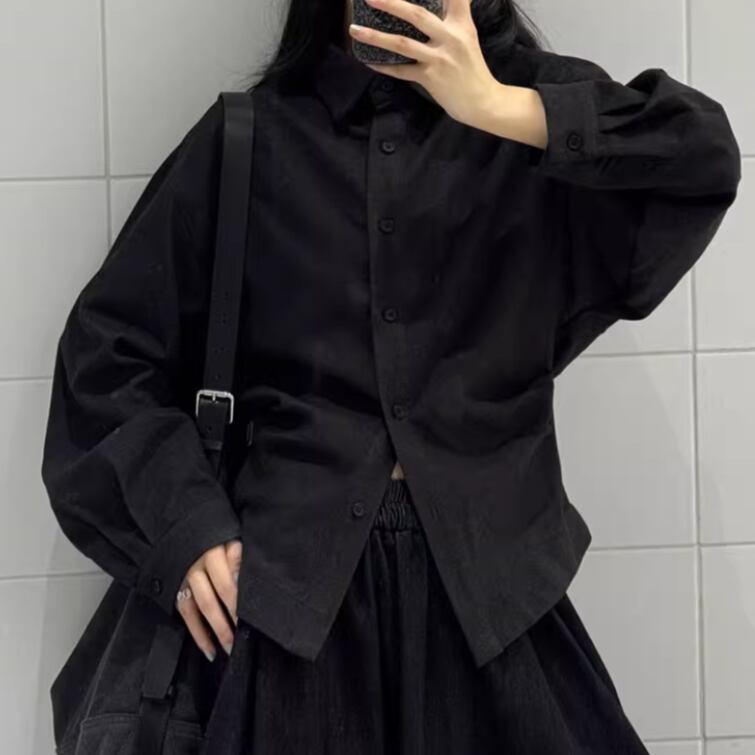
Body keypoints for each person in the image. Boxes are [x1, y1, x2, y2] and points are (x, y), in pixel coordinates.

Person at [40, 0, 741, 752]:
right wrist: (184, 528)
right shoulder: (254, 139)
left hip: (496, 602)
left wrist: (497, 105)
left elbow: (701, 160)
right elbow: (105, 357)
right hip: (285, 613)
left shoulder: (525, 118)